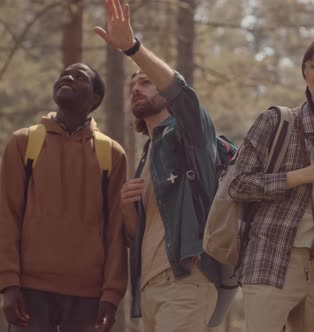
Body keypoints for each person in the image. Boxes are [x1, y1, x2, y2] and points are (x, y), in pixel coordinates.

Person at [94, 0, 222, 331]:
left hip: (186, 280)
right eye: (132, 85)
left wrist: (133, 49)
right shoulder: (145, 158)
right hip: (149, 290)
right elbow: (139, 234)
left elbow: (184, 95)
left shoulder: (191, 135)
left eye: (146, 82)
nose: (137, 88)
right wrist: (127, 210)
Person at [228, 36, 314, 332]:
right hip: (269, 259)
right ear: (304, 72)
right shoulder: (275, 121)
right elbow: (237, 184)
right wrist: (302, 175)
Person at [0, 61, 128, 332]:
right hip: (29, 289)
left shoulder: (111, 154)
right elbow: (6, 216)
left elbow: (116, 229)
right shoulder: (24, 143)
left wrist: (112, 294)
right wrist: (8, 283)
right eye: (63, 75)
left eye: (78, 76)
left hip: (88, 295)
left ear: (94, 99)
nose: (67, 77)